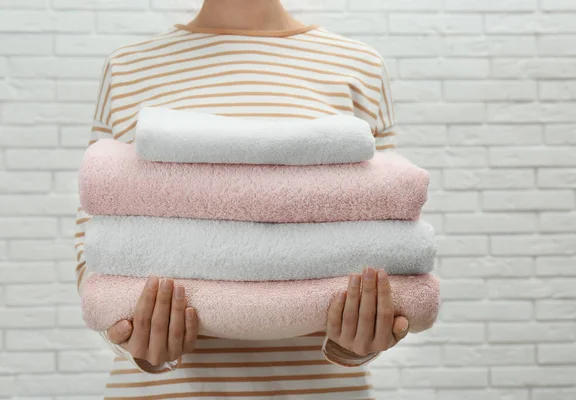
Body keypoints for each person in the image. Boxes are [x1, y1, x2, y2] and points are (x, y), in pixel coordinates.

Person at [74, 0, 407, 397]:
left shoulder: (358, 65)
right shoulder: (128, 67)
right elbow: (98, 246)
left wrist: (356, 346)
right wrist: (138, 343)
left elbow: (387, 231)